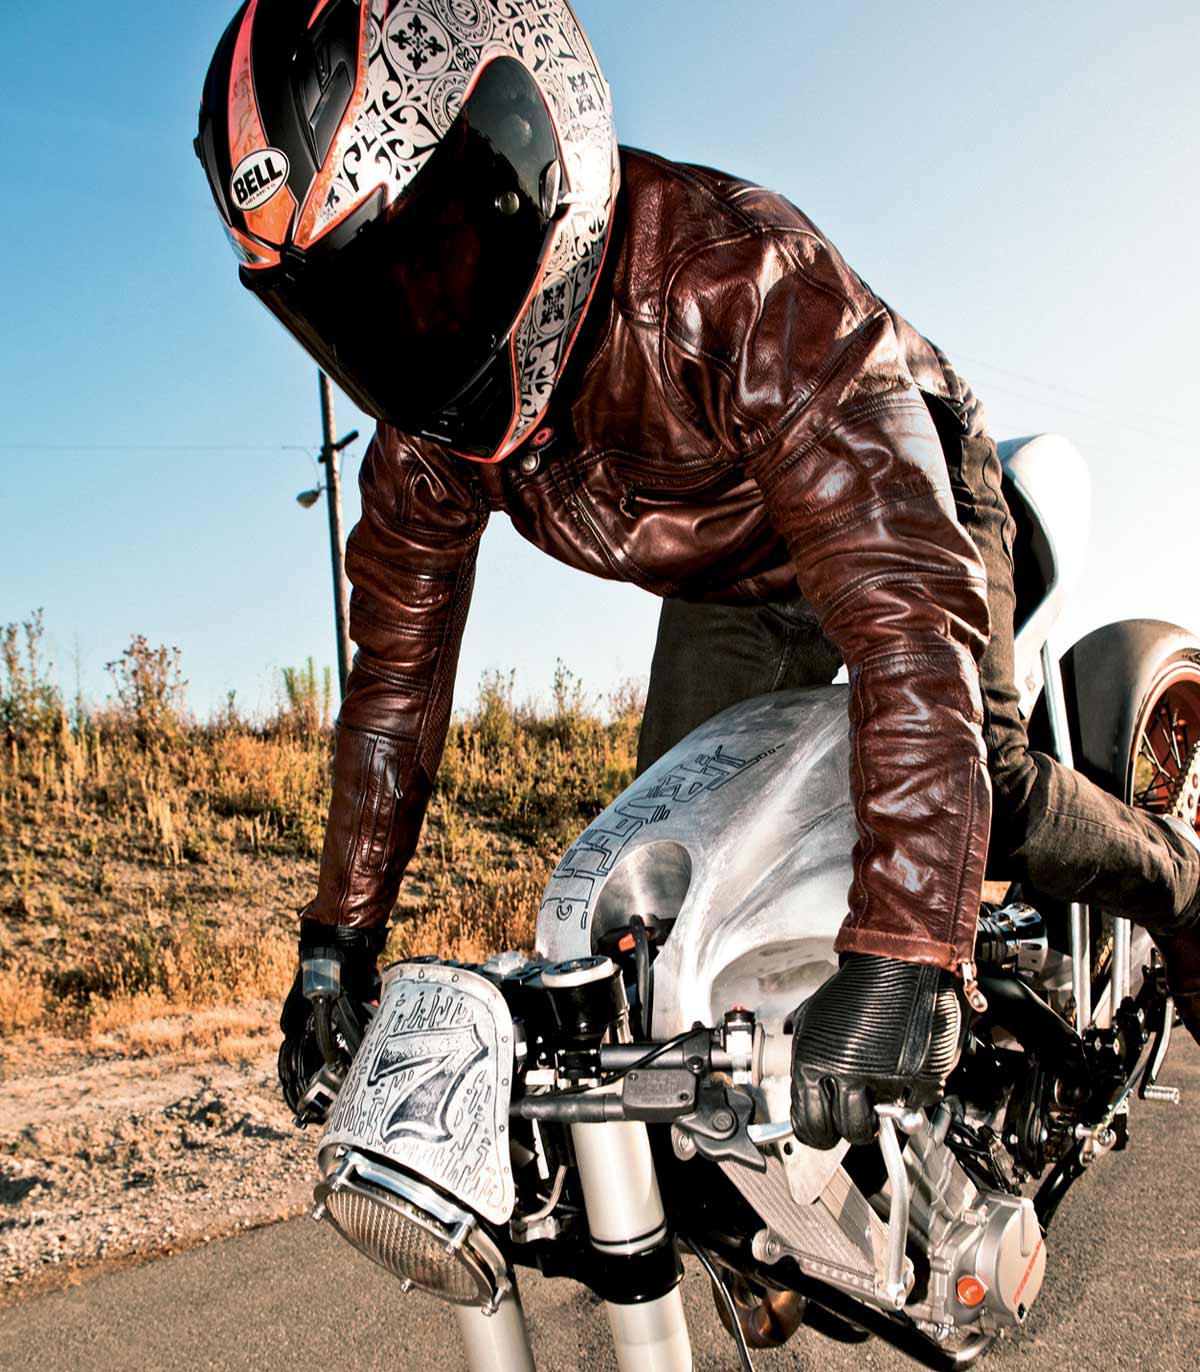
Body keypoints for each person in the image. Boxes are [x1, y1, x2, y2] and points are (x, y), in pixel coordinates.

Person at [196, 0, 1200, 1149]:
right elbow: (388, 707)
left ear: (533, 146)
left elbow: (910, 625)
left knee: (990, 796)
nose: (413, 334)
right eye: (357, 309)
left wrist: (905, 950)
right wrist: (338, 943)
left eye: (434, 260)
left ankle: (1183, 887)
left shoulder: (737, 280)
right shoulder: (428, 446)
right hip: (733, 577)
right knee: (661, 897)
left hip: (895, 497)